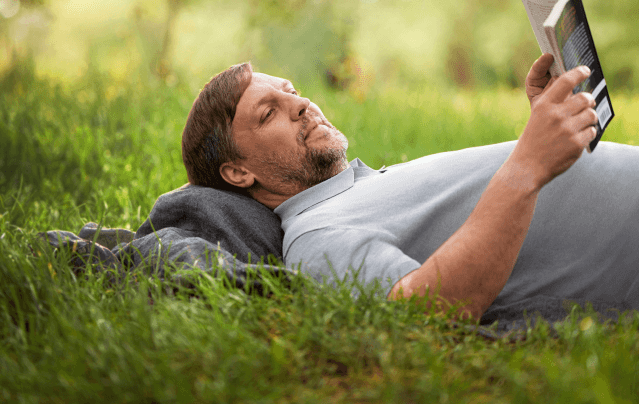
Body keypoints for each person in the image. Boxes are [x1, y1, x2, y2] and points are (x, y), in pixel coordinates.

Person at [181, 54, 639, 321]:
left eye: (292, 90)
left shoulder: (367, 187)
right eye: (269, 112)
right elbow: (427, 312)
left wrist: (543, 128)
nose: (301, 104)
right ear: (238, 172)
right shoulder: (315, 236)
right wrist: (526, 166)